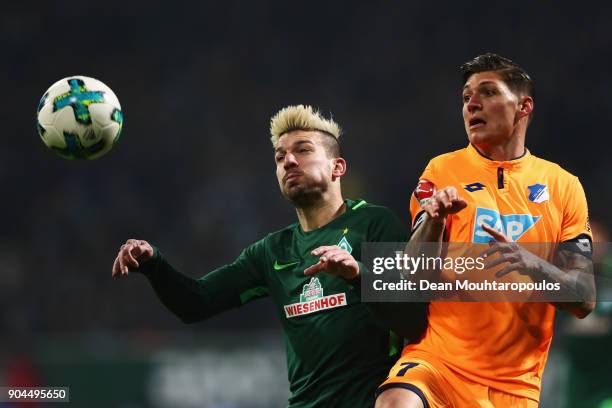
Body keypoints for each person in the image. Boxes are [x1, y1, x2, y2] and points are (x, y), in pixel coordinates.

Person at [112, 105, 425, 408]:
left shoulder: (374, 224)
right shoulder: (272, 251)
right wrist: (154, 264)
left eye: (303, 150)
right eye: (280, 156)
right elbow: (196, 303)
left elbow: (412, 319)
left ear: (337, 167)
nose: (288, 161)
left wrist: (358, 274)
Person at [375, 53, 595, 407]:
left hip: (515, 386)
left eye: (488, 92)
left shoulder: (564, 186)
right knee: (396, 402)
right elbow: (413, 274)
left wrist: (531, 263)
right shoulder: (442, 170)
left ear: (523, 106)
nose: (472, 104)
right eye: (466, 97)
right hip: (438, 364)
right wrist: (433, 220)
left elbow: (584, 297)